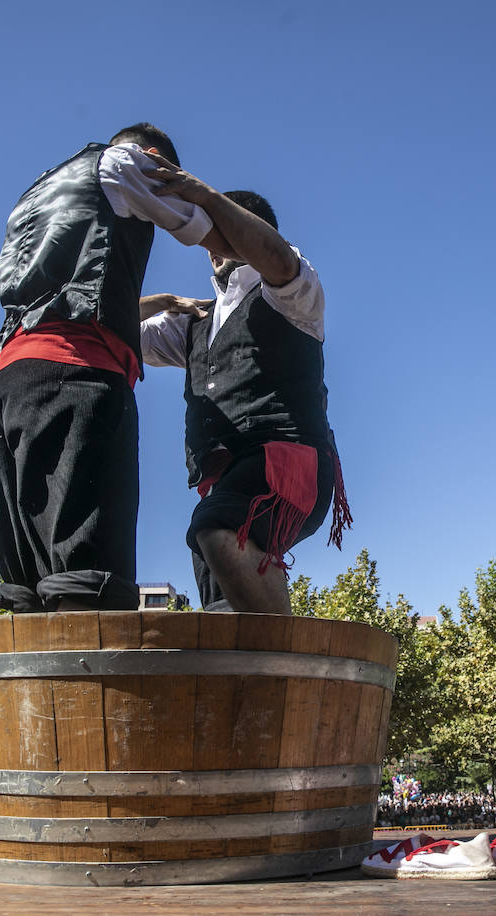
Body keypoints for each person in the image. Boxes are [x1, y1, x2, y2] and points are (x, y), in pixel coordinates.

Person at [0, 123, 233, 613]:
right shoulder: (127, 164)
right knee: (87, 582)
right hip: (73, 381)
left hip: (6, 385)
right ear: (155, 156)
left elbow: (72, 294)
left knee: (28, 589)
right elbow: (210, 230)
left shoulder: (39, 188)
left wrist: (159, 301)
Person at [140, 169, 350, 613]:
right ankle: (259, 669)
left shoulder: (292, 292)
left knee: (216, 527)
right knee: (220, 600)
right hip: (223, 482)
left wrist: (206, 198)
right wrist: (158, 302)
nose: (211, 245)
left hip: (287, 463)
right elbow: (104, 321)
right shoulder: (192, 322)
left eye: (221, 231)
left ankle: (285, 669)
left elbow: (274, 255)